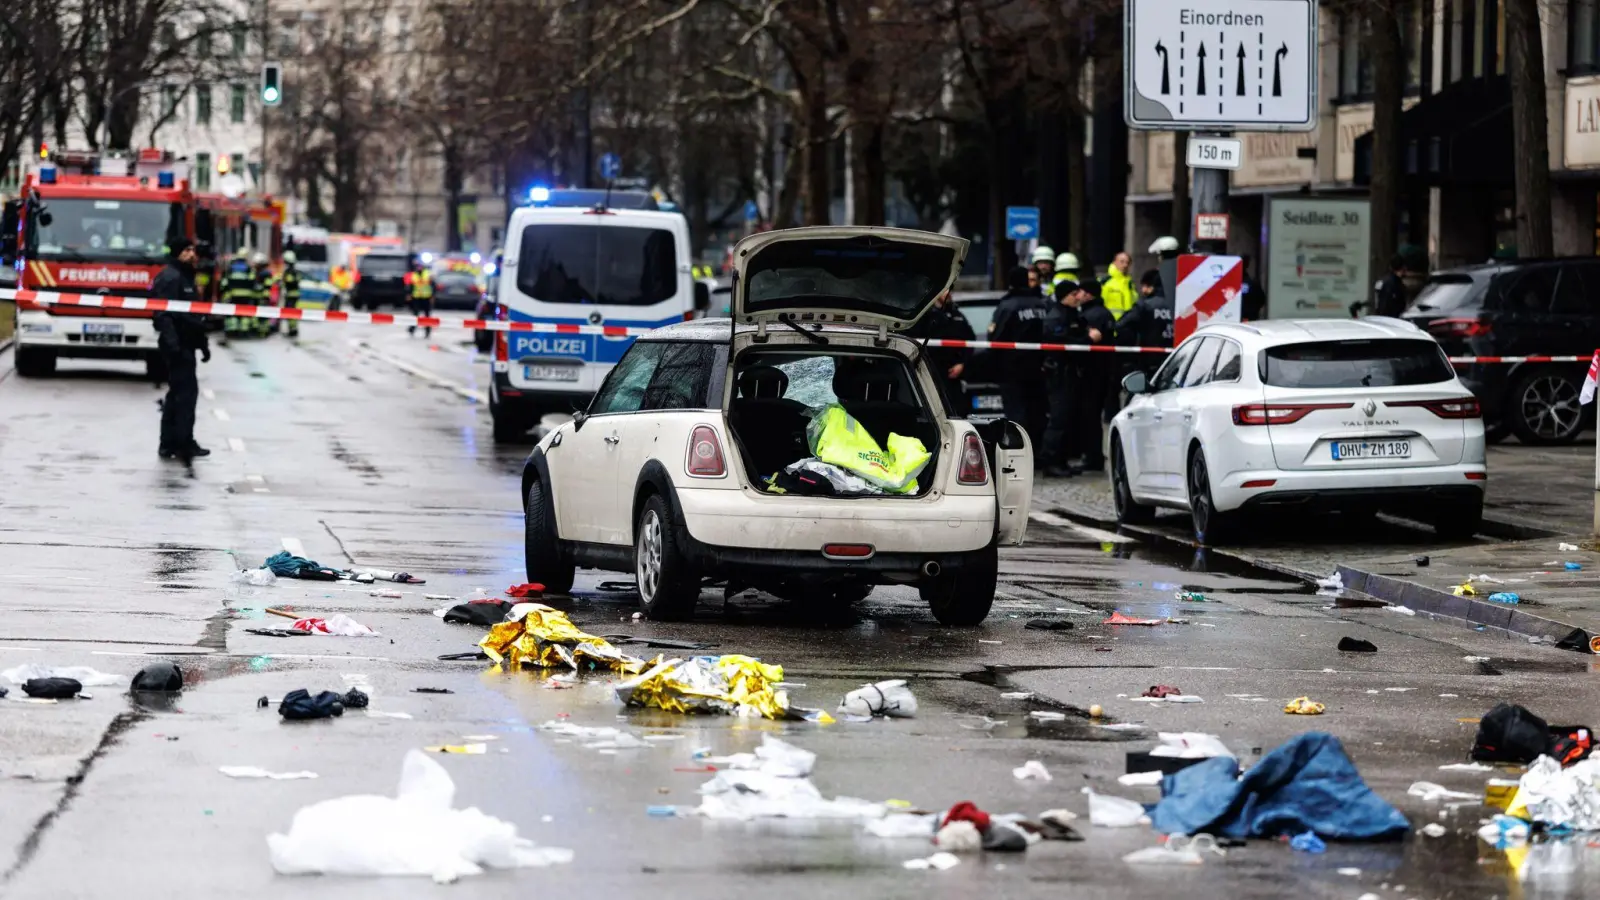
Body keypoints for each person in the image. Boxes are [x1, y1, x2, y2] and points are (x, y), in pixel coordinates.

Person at [152, 239, 210, 462]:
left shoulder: (186, 277)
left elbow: (194, 316)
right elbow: (162, 314)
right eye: (186, 250)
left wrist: (203, 344)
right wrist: (172, 343)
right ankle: (182, 443)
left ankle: (170, 443)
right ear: (177, 253)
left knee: (178, 394)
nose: (192, 254)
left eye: (192, 250)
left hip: (187, 344)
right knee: (184, 395)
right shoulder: (170, 277)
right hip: (177, 345)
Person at [988, 266, 1050, 447]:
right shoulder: (1042, 305)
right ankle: (1038, 452)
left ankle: (1020, 452)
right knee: (1037, 412)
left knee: (1017, 414)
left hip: (1012, 369)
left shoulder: (1007, 306)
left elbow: (995, 338)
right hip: (1039, 368)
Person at [1065, 280, 1116, 473]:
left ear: (1089, 294)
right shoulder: (1104, 313)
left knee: (1089, 416)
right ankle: (1093, 455)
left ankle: (1092, 457)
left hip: (1091, 372)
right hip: (1102, 370)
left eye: (1081, 292)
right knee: (1093, 416)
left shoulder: (1090, 315)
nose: (1078, 296)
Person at [906, 289, 976, 414]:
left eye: (950, 290)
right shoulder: (926, 315)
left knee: (957, 410)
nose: (948, 293)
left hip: (953, 373)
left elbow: (970, 341)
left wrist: (962, 364)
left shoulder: (956, 314)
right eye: (945, 290)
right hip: (931, 371)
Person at [1116, 269, 1176, 377]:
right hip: (1175, 358)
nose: (1142, 290)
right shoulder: (1176, 304)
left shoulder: (1144, 305)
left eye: (1143, 286)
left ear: (1149, 286)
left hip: (1149, 359)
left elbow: (1122, 324)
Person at [220, 248, 260, 338]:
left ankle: (233, 330)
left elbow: (225, 281)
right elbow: (253, 280)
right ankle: (244, 331)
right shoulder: (249, 268)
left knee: (233, 312)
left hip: (233, 294)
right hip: (246, 294)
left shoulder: (231, 267)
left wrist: (225, 291)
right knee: (245, 312)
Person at [1100, 250, 1135, 321]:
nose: (1125, 265)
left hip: (1127, 325)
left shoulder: (1130, 283)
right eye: (1122, 261)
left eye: (1127, 263)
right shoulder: (1105, 281)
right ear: (1114, 262)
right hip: (1111, 324)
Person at [405, 258, 435, 337]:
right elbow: (410, 286)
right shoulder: (413, 275)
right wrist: (409, 295)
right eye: (417, 266)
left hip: (426, 297)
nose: (418, 268)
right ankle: (412, 329)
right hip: (416, 297)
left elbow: (433, 286)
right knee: (415, 315)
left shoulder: (428, 274)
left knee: (427, 316)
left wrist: (432, 296)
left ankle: (427, 331)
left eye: (420, 266)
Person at [1239, 255, 1266, 321]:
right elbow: (1262, 300)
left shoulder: (1252, 283)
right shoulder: (1252, 282)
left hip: (1246, 317)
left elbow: (1261, 299)